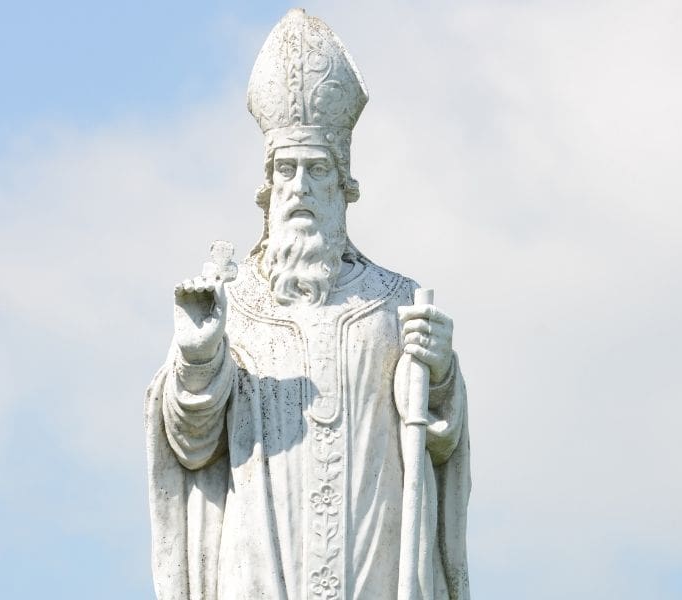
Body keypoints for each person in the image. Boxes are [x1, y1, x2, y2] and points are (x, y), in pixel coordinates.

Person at [145, 9, 470, 599]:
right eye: (285, 170)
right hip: (260, 566)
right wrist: (198, 357)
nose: (299, 187)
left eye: (317, 170)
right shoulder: (231, 305)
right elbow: (192, 443)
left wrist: (441, 374)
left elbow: (436, 442)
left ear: (344, 188)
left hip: (372, 563)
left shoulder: (392, 304)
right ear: (267, 189)